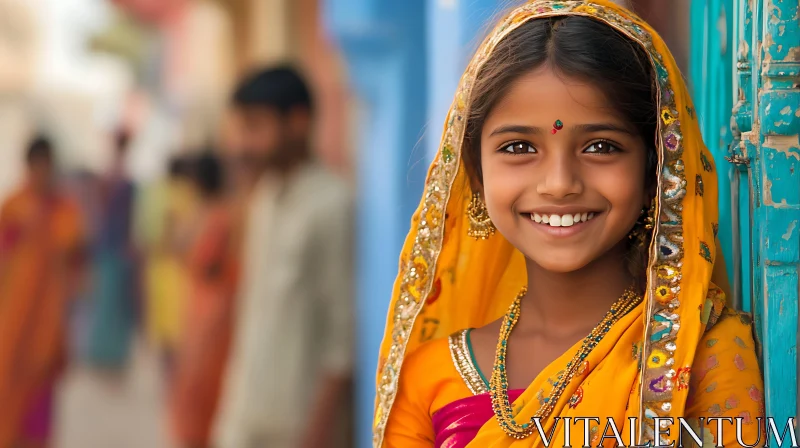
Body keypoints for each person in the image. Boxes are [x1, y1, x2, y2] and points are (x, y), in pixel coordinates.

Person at [377, 2, 765, 447]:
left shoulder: (703, 356)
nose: (559, 184)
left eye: (601, 146)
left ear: (657, 171)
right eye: (519, 147)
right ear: (477, 175)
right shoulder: (428, 377)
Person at [213, 66, 354, 448]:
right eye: (240, 128)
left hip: (295, 428)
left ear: (298, 122)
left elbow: (343, 343)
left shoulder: (332, 205)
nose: (243, 144)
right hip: (243, 418)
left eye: (255, 127)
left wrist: (317, 433)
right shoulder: (264, 198)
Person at [0, 136, 86, 448]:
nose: (41, 173)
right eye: (36, 166)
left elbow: (76, 264)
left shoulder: (65, 210)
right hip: (12, 318)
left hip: (47, 321)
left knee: (39, 398)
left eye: (46, 166)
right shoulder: (14, 205)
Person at [169, 151, 238, 448]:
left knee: (202, 391)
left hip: (214, 315)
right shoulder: (211, 212)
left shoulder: (218, 216)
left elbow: (201, 260)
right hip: (203, 311)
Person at [85, 129, 139, 370]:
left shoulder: (111, 177)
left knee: (110, 300)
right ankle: (106, 351)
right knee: (110, 300)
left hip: (111, 245)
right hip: (112, 245)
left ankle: (108, 351)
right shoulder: (116, 178)